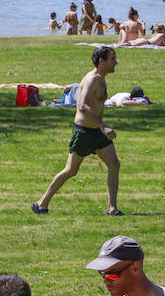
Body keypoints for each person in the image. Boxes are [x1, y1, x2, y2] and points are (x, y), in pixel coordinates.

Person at [33, 46, 122, 217]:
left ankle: (112, 208)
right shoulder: (92, 80)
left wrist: (100, 127)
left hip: (96, 133)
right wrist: (103, 126)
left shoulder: (101, 78)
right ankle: (41, 203)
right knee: (71, 171)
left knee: (114, 164)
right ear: (101, 61)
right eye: (113, 59)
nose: (116, 62)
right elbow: (82, 106)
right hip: (84, 133)